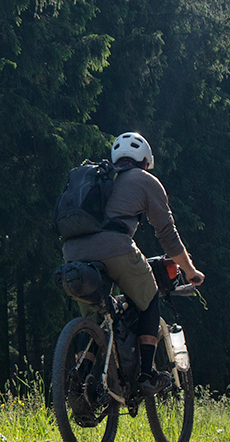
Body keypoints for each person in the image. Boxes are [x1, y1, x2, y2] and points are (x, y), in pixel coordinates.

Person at [60, 131, 206, 395]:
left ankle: (78, 382)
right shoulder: (145, 180)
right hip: (116, 248)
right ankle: (147, 375)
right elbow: (167, 235)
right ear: (145, 161)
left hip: (74, 255)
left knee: (95, 316)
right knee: (149, 297)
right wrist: (190, 270)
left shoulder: (99, 179)